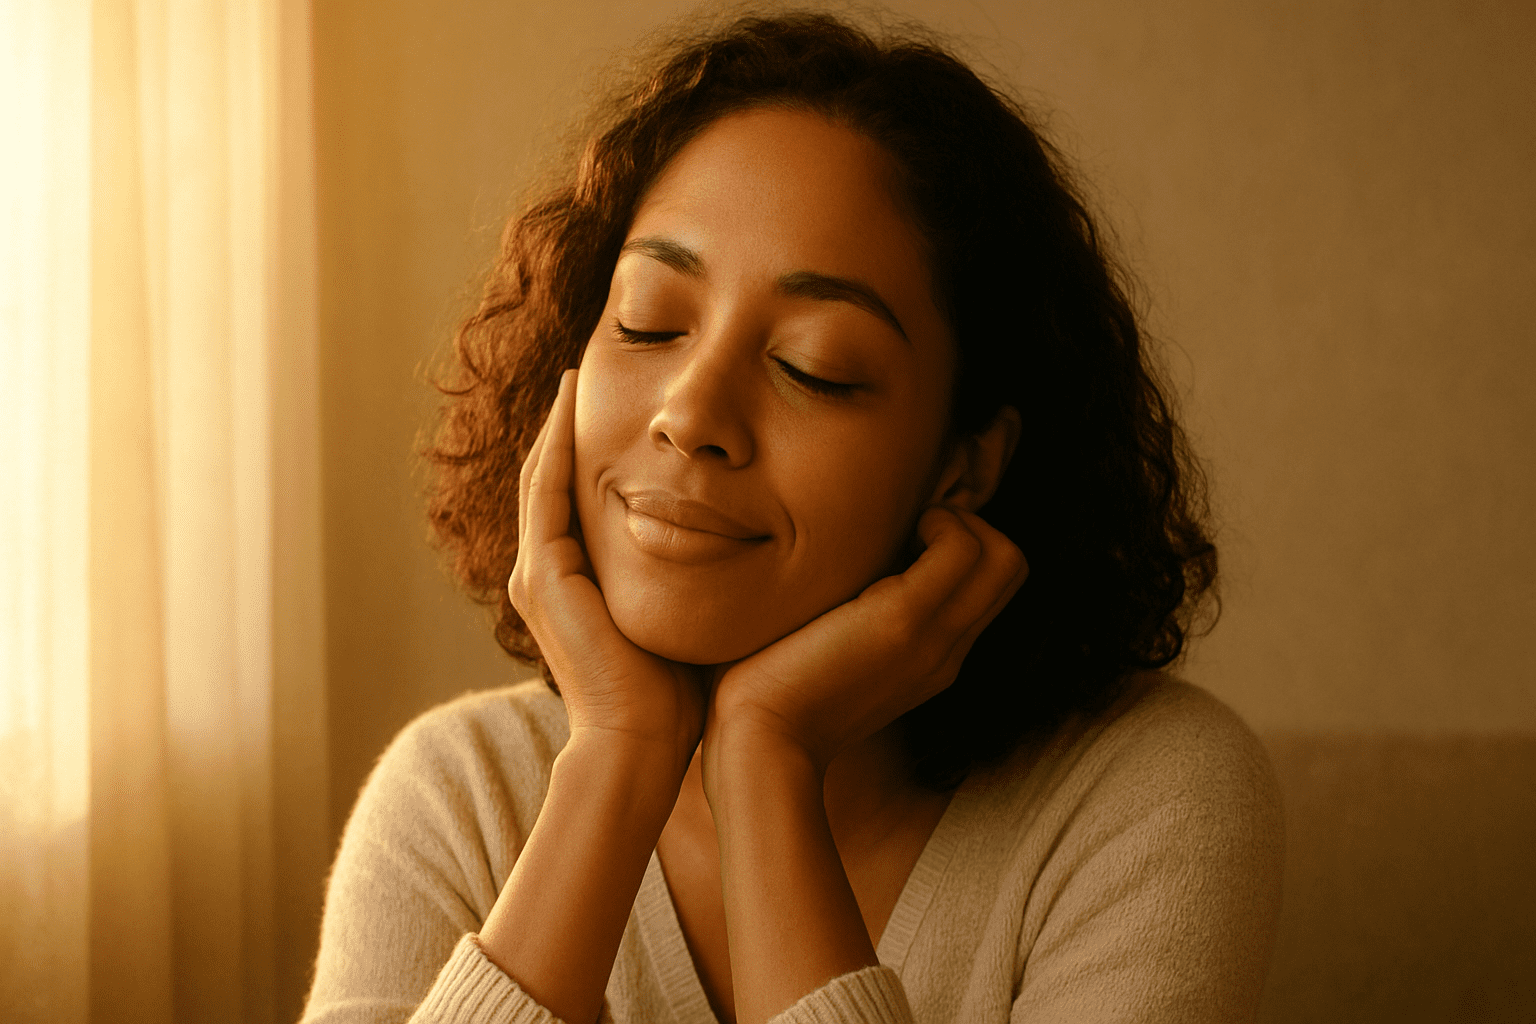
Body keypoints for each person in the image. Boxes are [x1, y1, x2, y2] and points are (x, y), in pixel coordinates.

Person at [301, 11, 1284, 1024]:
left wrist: (767, 762)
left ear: (964, 463)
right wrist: (616, 760)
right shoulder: (460, 796)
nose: (691, 414)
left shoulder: (1141, 799)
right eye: (648, 322)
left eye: (813, 366)